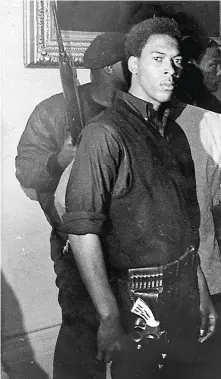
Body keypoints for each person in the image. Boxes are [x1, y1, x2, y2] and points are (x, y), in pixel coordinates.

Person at [62, 17, 216, 378]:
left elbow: (186, 224)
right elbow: (82, 230)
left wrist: (202, 291)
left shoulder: (174, 132)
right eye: (158, 59)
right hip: (137, 300)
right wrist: (109, 315)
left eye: (176, 61)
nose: (170, 71)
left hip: (185, 291)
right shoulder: (105, 133)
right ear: (133, 65)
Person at [15, 32, 128, 379]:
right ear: (110, 68)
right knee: (82, 335)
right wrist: (59, 160)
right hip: (77, 243)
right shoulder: (54, 110)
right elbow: (25, 167)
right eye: (130, 61)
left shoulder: (134, 109)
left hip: (128, 244)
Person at [175, 36, 221, 118]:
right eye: (213, 65)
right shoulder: (175, 106)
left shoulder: (214, 106)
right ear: (192, 65)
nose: (220, 72)